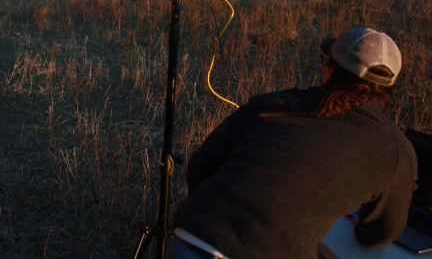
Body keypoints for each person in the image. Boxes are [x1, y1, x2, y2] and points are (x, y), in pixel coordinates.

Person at [168, 26, 418, 258]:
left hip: (191, 238)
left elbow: (200, 168)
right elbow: (381, 232)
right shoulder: (396, 149)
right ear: (388, 89)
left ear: (329, 69)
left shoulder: (272, 103)